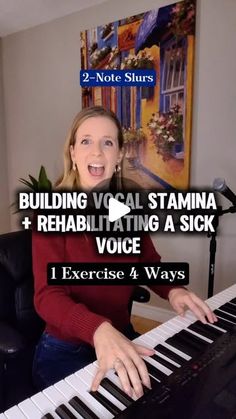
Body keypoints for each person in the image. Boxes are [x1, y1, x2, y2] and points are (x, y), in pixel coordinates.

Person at [32, 106, 217, 399]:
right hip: (65, 349)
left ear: (118, 155)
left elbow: (147, 262)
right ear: (73, 153)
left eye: (108, 142)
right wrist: (98, 329)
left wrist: (174, 291)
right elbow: (47, 296)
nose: (97, 152)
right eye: (86, 141)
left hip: (120, 333)